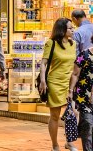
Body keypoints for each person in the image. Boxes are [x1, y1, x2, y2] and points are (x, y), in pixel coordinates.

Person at [39, 18, 77, 151]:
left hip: (69, 83)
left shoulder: (73, 44)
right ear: (62, 30)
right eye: (70, 28)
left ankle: (70, 142)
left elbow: (74, 66)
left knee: (72, 114)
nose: (73, 30)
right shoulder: (51, 43)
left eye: (73, 28)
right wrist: (43, 81)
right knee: (55, 116)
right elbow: (43, 63)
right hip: (54, 82)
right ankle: (55, 145)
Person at [69, 34, 93, 151]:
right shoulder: (84, 54)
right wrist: (70, 91)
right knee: (87, 126)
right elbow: (75, 74)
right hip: (85, 97)